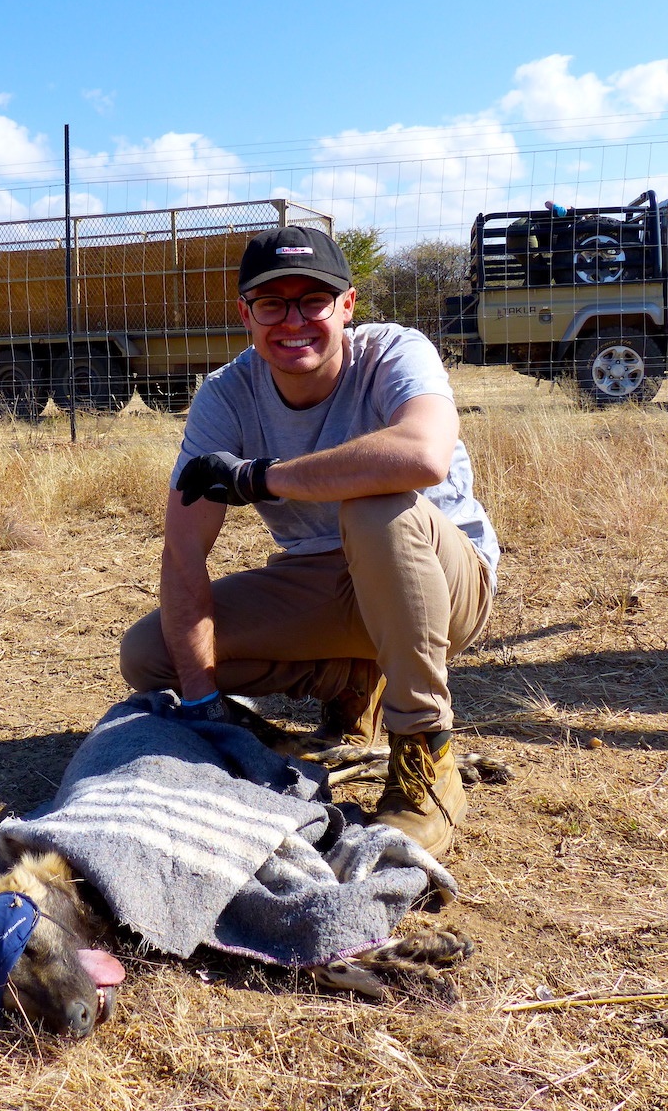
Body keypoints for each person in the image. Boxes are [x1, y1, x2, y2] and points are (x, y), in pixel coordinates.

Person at [119, 225, 499, 857]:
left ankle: (426, 762)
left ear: (347, 307)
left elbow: (424, 456)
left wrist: (260, 479)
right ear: (246, 315)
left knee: (376, 500)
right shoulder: (224, 395)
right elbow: (184, 551)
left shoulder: (397, 354)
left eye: (313, 301)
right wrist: (206, 704)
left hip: (441, 576)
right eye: (272, 303)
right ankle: (348, 680)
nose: (293, 321)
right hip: (325, 581)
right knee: (151, 655)